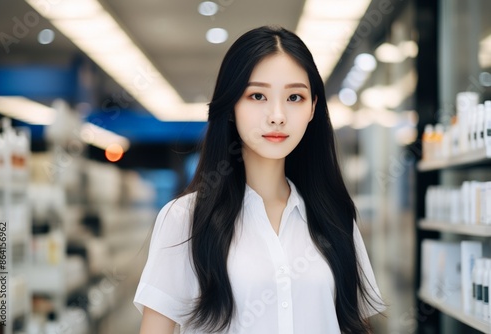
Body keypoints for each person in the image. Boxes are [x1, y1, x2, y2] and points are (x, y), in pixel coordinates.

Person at [134, 25, 385, 334]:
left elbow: (355, 325)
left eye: (294, 97)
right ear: (231, 107)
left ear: (312, 108)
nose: (277, 115)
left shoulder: (335, 217)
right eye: (257, 95)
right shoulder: (186, 219)